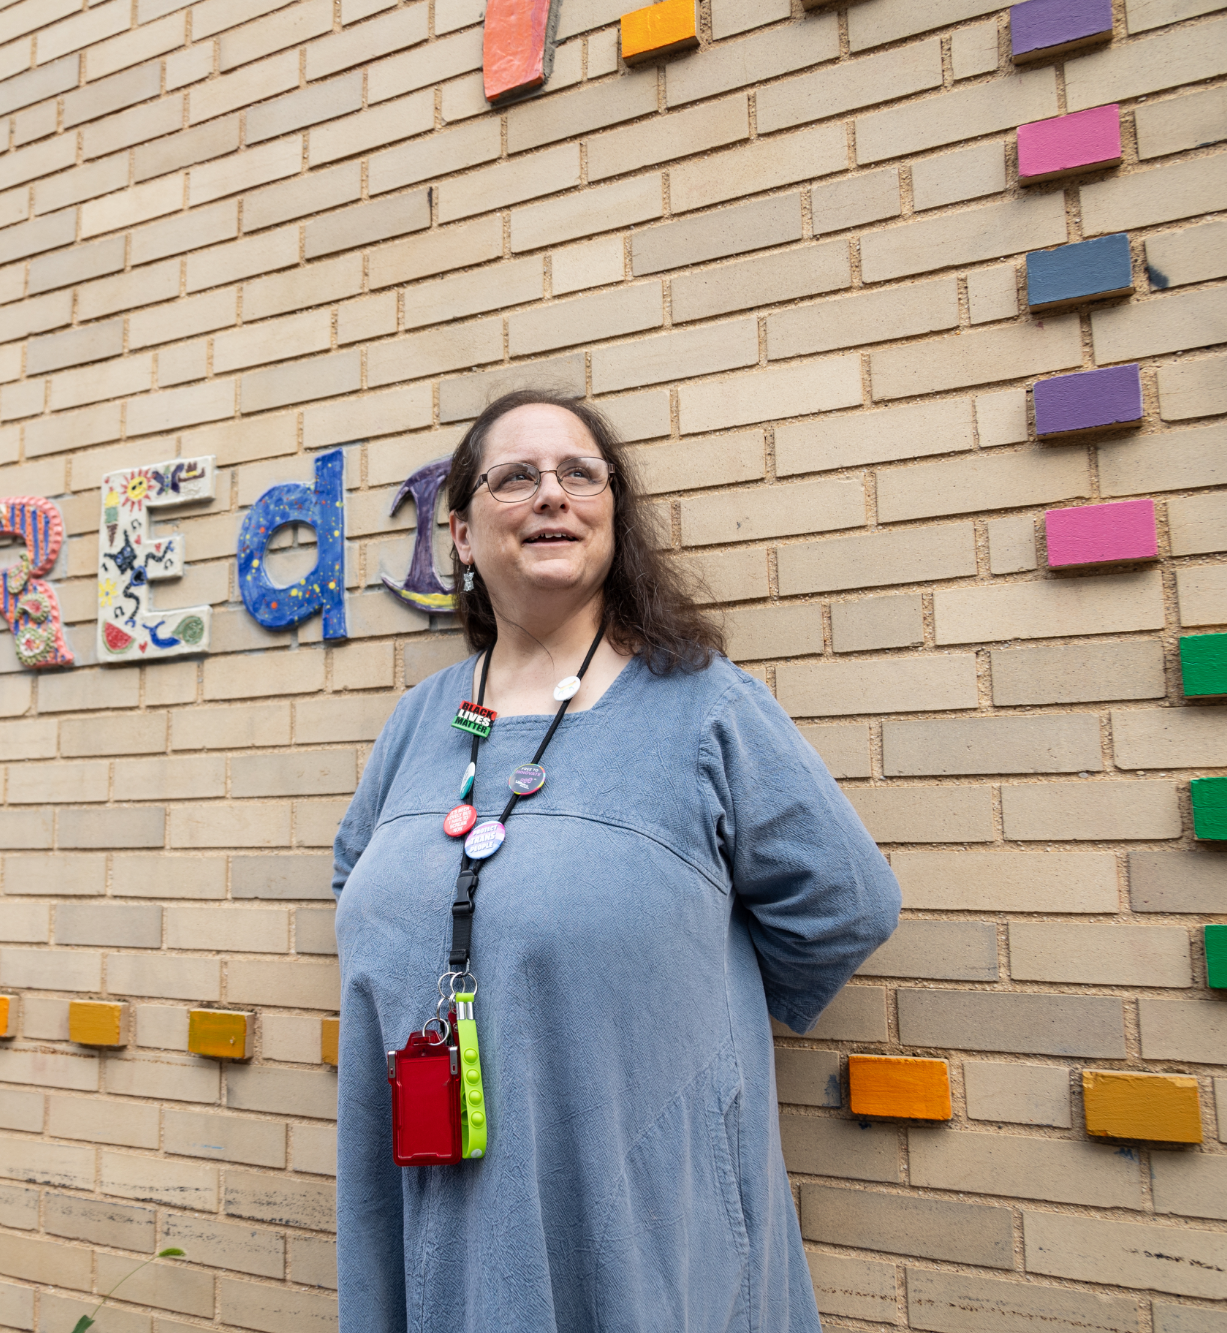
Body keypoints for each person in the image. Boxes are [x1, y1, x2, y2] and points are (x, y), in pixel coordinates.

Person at [331, 389, 902, 1331]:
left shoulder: (704, 707)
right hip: (431, 1184)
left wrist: (665, 1013)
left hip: (625, 1204)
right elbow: (357, 877)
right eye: (514, 476)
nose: (551, 494)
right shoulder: (420, 720)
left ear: (612, 512)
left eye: (578, 473)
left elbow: (843, 901)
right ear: (463, 533)